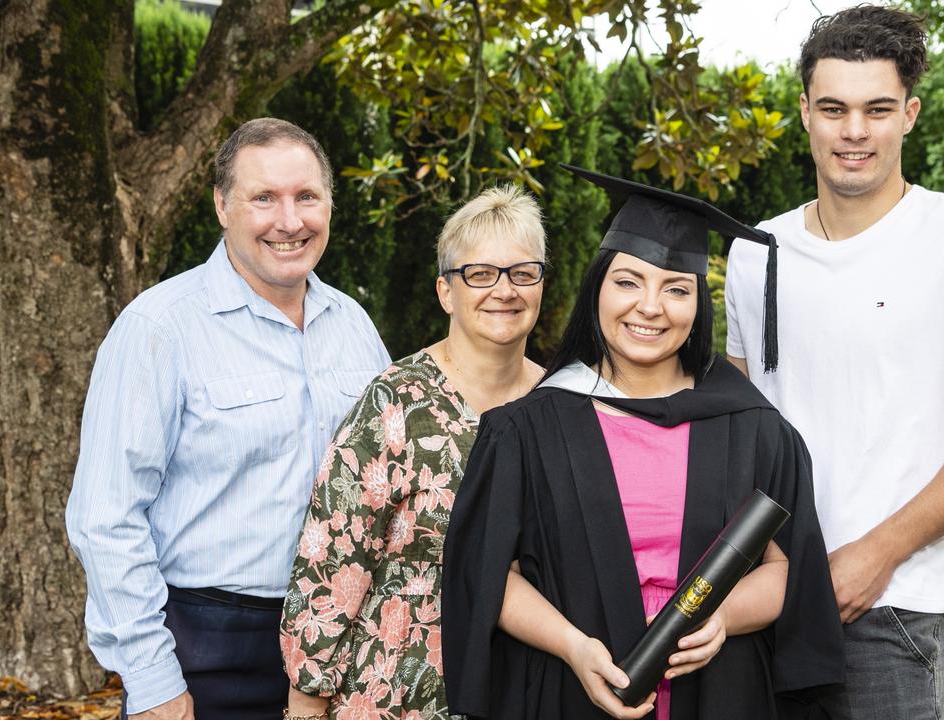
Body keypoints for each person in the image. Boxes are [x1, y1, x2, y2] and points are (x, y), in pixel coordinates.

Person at [724, 6, 944, 720]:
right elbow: (740, 423)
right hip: (768, 599)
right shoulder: (755, 252)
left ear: (910, 113)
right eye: (834, 108)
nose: (854, 132)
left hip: (893, 610)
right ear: (805, 113)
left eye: (877, 109)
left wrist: (879, 552)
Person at [442, 165, 846, 720]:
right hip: (570, 693)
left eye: (676, 289)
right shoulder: (526, 429)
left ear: (699, 303)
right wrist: (572, 646)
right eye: (628, 282)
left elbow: (787, 570)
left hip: (721, 695)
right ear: (597, 289)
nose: (650, 307)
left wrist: (725, 616)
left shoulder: (755, 429)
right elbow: (491, 577)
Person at [66, 118, 391, 720]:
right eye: (263, 197)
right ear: (222, 205)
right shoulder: (159, 328)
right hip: (204, 651)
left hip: (341, 650)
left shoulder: (354, 328)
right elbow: (105, 518)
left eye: (306, 197)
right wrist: (153, 680)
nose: (289, 221)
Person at [279, 185, 547, 719]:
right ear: (446, 291)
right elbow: (334, 559)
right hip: (396, 688)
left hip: (527, 686)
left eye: (523, 273)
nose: (505, 290)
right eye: (480, 273)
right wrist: (306, 702)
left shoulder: (562, 407)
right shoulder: (395, 402)